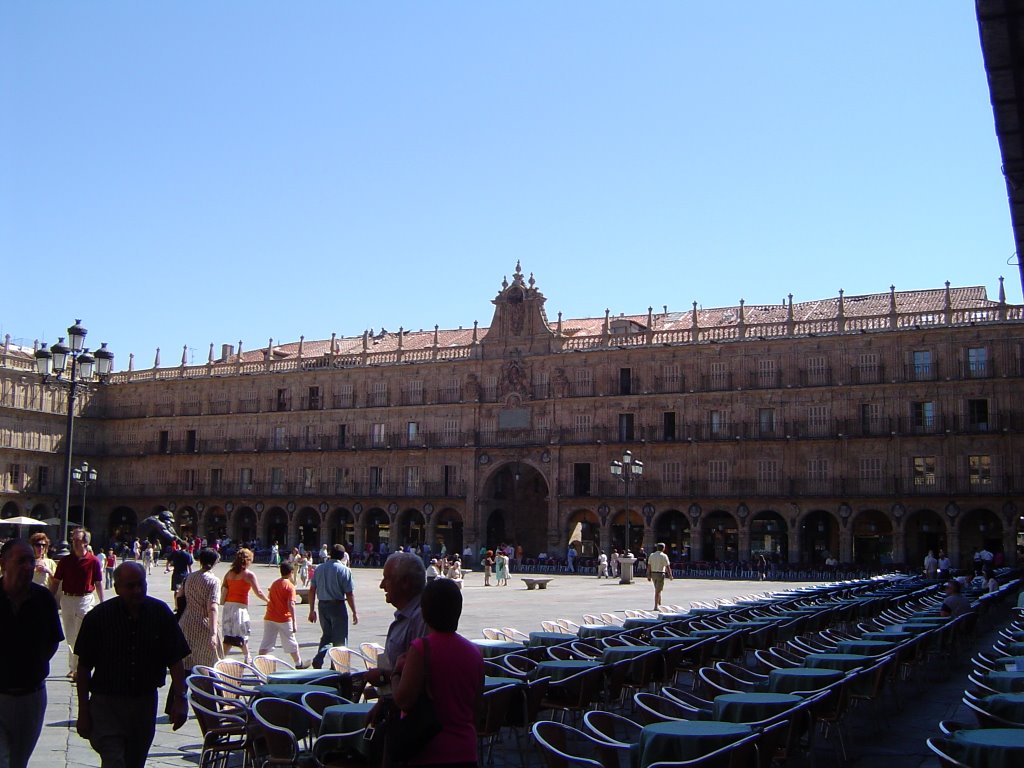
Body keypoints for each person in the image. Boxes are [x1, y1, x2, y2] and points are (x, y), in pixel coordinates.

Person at [75, 561, 190, 768]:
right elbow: (83, 667)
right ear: (117, 587)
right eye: (130, 586)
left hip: (143, 703)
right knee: (114, 761)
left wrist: (180, 698)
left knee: (135, 762)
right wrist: (83, 710)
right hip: (107, 704)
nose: (137, 590)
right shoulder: (98, 617)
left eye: (141, 584)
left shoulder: (160, 613)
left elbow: (176, 658)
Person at [392, 577, 484, 767]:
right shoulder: (475, 652)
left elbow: (404, 701)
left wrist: (395, 674)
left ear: (424, 613)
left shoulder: (421, 649)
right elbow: (476, 707)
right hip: (465, 750)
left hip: (430, 750)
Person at [0, 539, 63, 768]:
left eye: (30, 561)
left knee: (18, 761)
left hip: (31, 695)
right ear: (4, 564)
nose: (28, 566)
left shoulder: (43, 599)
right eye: (21, 561)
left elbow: (53, 642)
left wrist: (32, 664)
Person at [50, 527, 104, 680]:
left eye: (77, 540)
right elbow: (56, 582)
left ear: (85, 542)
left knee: (82, 633)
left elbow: (98, 582)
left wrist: (102, 601)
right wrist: (49, 598)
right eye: (73, 539)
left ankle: (79, 668)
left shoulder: (93, 561)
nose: (74, 542)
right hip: (67, 599)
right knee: (70, 635)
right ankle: (73, 667)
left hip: (85, 599)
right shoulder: (66, 561)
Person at [308, 544, 358, 669]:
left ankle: (319, 658)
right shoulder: (344, 570)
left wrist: (311, 610)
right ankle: (336, 666)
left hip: (322, 606)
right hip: (337, 606)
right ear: (343, 556)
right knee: (340, 638)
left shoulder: (319, 568)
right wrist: (354, 611)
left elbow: (312, 590)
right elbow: (349, 593)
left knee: (327, 635)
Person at [177, 547, 223, 671]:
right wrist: (213, 633)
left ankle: (181, 689)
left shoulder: (189, 577)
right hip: (204, 625)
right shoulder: (214, 581)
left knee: (187, 664)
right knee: (209, 664)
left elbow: (179, 595)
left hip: (186, 622)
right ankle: (206, 690)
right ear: (214, 562)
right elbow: (213, 608)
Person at [220, 548, 268, 664]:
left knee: (229, 636)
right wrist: (268, 601)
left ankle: (221, 659)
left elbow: (223, 589)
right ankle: (248, 658)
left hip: (228, 607)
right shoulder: (248, 575)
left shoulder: (229, 573)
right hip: (240, 607)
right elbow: (259, 592)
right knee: (242, 634)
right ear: (248, 561)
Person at [258, 561, 305, 668]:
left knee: (266, 641)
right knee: (291, 641)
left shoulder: (274, 584)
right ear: (291, 572)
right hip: (284, 618)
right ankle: (298, 663)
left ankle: (258, 663)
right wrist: (294, 621)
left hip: (270, 616)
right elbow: (291, 604)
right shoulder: (290, 586)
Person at [646, 543, 673, 610]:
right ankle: (656, 606)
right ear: (663, 548)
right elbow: (667, 566)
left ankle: (659, 604)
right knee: (658, 591)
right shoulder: (664, 556)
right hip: (660, 574)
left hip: (653, 574)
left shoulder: (652, 555)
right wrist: (670, 575)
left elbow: (649, 566)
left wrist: (648, 575)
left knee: (658, 589)